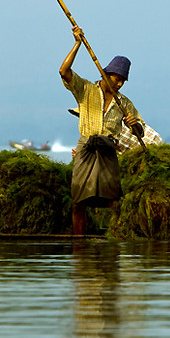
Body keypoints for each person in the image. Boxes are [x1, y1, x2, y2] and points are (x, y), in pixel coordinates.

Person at [59, 26, 146, 234]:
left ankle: (115, 237)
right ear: (105, 74)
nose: (119, 84)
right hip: (86, 149)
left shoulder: (124, 103)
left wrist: (133, 123)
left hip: (108, 151)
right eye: (116, 78)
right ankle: (79, 243)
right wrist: (77, 44)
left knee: (113, 200)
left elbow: (139, 131)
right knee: (78, 201)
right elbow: (64, 71)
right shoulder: (87, 89)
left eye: (123, 81)